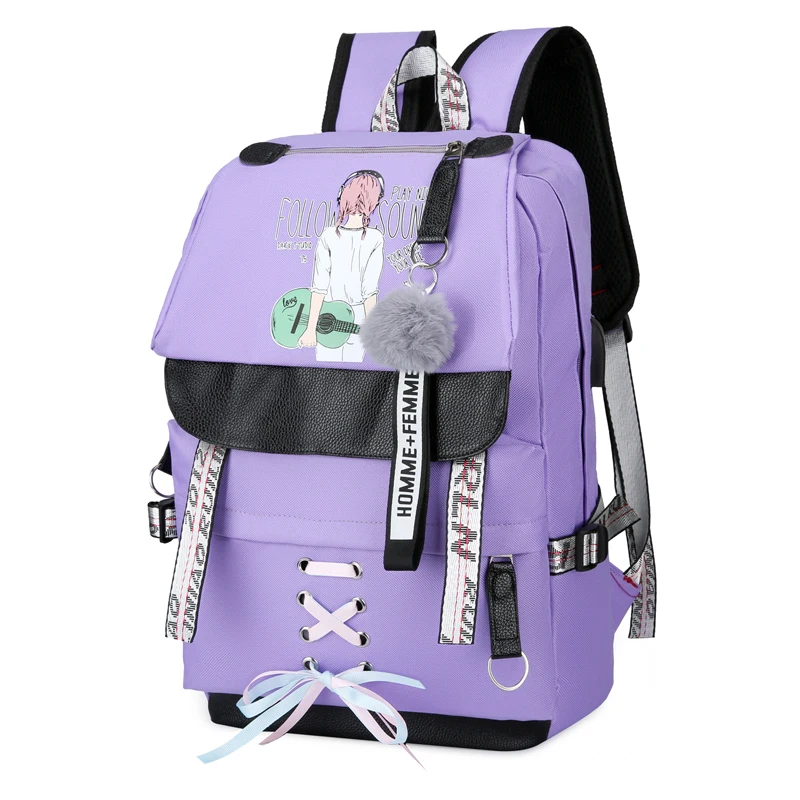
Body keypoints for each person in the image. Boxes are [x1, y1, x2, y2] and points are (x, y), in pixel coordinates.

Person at [297, 171, 385, 362]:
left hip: (325, 314)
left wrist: (310, 329)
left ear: (343, 196)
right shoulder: (375, 238)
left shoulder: (328, 236)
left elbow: (319, 287)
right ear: (374, 202)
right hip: (356, 315)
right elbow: (369, 291)